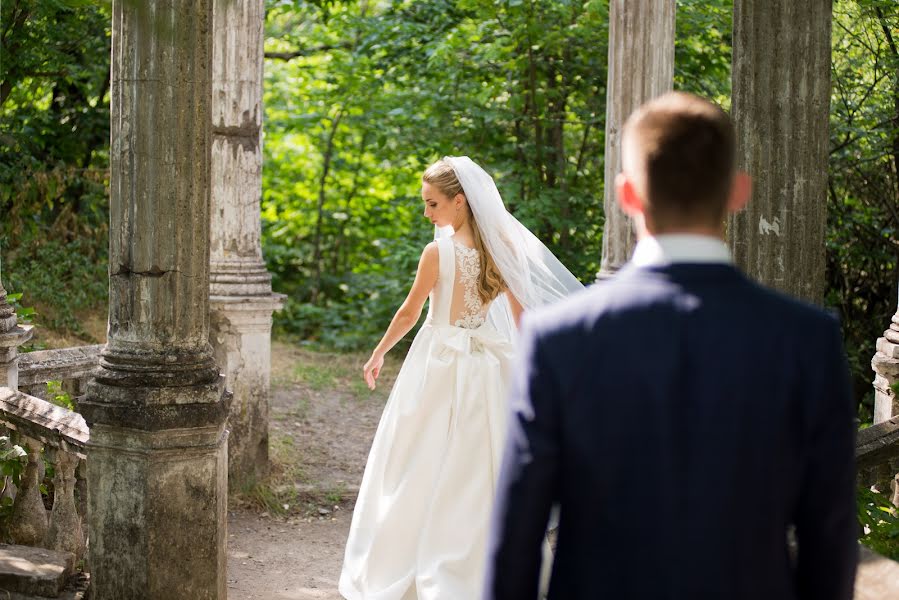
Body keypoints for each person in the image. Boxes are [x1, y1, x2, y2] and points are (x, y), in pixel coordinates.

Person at [485, 92, 858, 600]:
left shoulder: (556, 338)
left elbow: (516, 537)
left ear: (627, 195)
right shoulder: (806, 339)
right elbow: (829, 535)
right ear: (737, 191)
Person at [339, 156, 582, 599]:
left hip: (439, 364)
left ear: (460, 202)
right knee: (479, 466)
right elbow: (523, 317)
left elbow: (410, 312)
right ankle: (484, 563)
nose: (427, 214)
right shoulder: (499, 250)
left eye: (432, 204)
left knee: (418, 459)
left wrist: (379, 353)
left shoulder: (439, 252)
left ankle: (420, 560)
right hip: (487, 367)